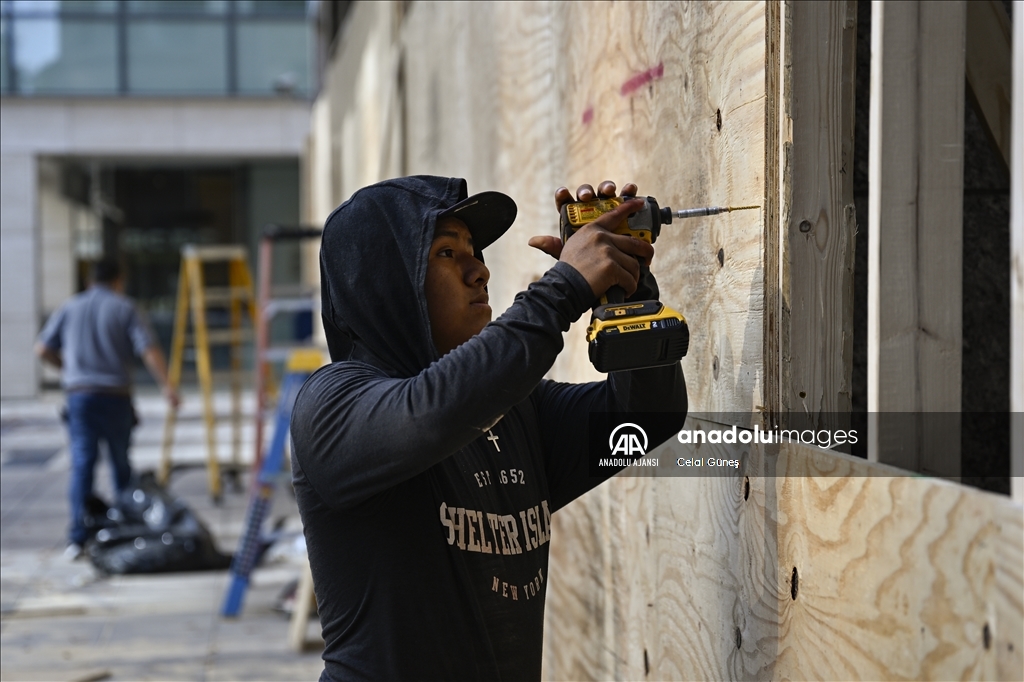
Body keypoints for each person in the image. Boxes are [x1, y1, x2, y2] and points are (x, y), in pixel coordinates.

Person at [290, 176, 687, 680]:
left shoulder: (515, 411)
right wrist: (559, 292)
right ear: (387, 279)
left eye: (473, 251)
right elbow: (431, 415)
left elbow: (645, 418)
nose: (478, 271)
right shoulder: (332, 407)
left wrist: (627, 299)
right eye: (446, 253)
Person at [35, 258, 180, 559]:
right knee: (120, 466)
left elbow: (42, 348)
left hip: (80, 397)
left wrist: (67, 369)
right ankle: (125, 528)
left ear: (90, 281)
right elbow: (147, 349)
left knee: (83, 465)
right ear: (119, 280)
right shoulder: (125, 307)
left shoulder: (70, 307)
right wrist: (167, 386)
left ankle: (77, 538)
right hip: (115, 396)